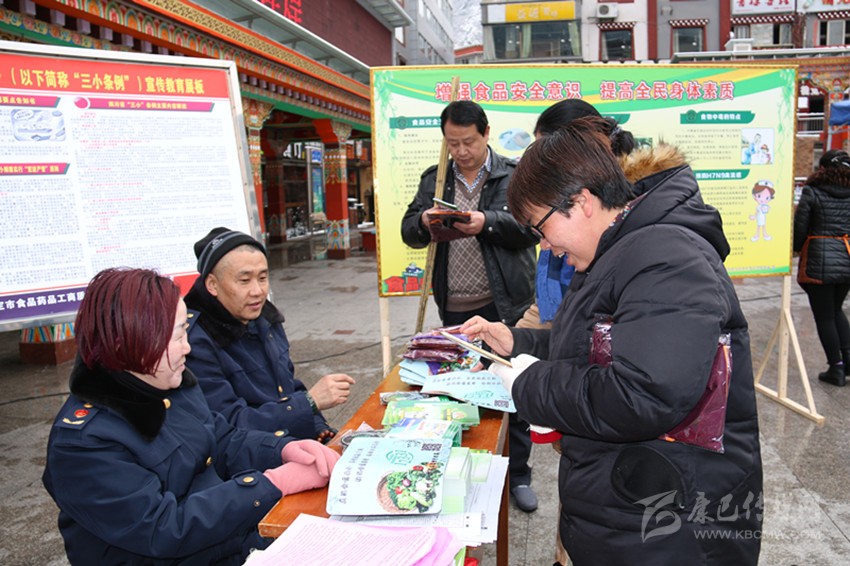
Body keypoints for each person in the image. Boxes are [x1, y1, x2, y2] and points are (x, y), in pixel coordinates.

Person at [461, 117, 763, 565]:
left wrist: (529, 383)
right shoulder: (614, 251)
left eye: (541, 228)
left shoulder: (666, 257)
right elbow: (594, 346)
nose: (546, 247)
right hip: (631, 504)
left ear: (581, 201)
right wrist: (517, 344)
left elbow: (643, 395)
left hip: (669, 522)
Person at [42, 268, 340, 565]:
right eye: (176, 337)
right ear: (127, 342)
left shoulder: (168, 382)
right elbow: (163, 529)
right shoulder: (84, 442)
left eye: (185, 331)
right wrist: (271, 483)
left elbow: (222, 439)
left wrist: (282, 449)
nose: (187, 347)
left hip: (224, 541)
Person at [400, 100, 539, 511]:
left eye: (468, 142)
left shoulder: (514, 174)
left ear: (486, 133)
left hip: (504, 305)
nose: (461, 151)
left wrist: (487, 222)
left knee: (512, 390)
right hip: (455, 307)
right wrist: (423, 222)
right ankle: (470, 472)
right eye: (452, 143)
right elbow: (408, 230)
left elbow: (531, 228)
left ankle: (519, 475)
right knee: (461, 391)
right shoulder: (436, 179)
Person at [184, 228, 355, 444]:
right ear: (212, 285)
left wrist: (319, 427)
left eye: (263, 278)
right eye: (244, 280)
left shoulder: (265, 318)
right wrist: (309, 402)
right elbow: (230, 423)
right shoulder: (194, 342)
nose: (257, 291)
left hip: (292, 442)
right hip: (254, 454)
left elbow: (288, 386)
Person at [793, 149, 850, 386]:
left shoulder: (812, 191)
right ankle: (847, 361)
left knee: (825, 316)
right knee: (836, 310)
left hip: (819, 259)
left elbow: (800, 226)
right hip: (847, 256)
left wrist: (796, 248)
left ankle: (836, 368)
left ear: (823, 168)